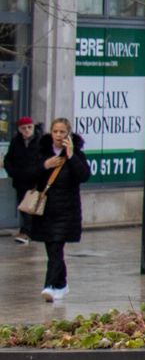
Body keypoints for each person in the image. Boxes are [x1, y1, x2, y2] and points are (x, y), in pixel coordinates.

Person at [26, 118, 88, 301]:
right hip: (46, 209)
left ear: (68, 134)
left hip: (67, 210)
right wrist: (45, 166)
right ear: (51, 133)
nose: (58, 135)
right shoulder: (42, 152)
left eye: (62, 132)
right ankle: (61, 285)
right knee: (52, 249)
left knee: (56, 247)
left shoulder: (75, 153)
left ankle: (50, 286)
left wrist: (71, 156)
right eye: (55, 131)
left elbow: (84, 175)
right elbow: (27, 174)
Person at [6, 116, 44, 245]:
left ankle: (27, 232)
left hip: (35, 181)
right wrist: (13, 172)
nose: (27, 130)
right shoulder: (16, 142)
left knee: (32, 207)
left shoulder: (41, 141)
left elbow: (44, 161)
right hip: (20, 180)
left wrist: (38, 174)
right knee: (23, 207)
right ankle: (27, 231)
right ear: (19, 129)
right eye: (24, 128)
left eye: (29, 127)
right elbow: (8, 159)